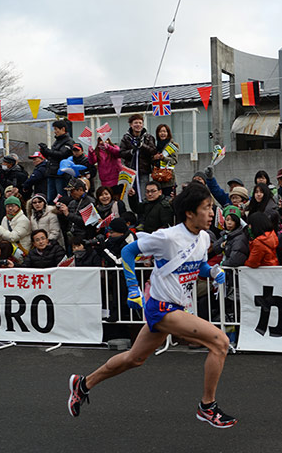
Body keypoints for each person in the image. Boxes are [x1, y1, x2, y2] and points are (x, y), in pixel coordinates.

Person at [67, 182, 237, 428]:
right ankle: (207, 407)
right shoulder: (166, 237)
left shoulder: (202, 238)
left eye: (212, 207)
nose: (212, 213)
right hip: (162, 308)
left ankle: (83, 384)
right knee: (220, 342)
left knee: (134, 359)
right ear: (190, 212)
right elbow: (127, 252)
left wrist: (211, 271)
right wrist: (133, 288)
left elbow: (197, 266)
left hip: (177, 308)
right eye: (207, 208)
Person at [119, 114, 157, 202]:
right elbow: (121, 152)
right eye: (135, 123)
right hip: (131, 172)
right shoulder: (126, 138)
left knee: (144, 193)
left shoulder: (148, 137)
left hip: (144, 170)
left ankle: (144, 213)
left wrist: (142, 146)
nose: (138, 125)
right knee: (132, 194)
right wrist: (132, 151)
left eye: (140, 123)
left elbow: (153, 150)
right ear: (131, 125)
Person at [40, 120, 76, 203]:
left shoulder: (69, 141)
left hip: (61, 174)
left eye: (56, 129)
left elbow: (62, 154)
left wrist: (47, 150)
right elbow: (51, 157)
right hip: (51, 172)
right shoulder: (57, 141)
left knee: (61, 198)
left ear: (63, 129)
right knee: (50, 199)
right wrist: (44, 151)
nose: (55, 132)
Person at [0, 196, 32, 260]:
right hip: (8, 253)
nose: (10, 208)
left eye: (12, 206)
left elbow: (13, 237)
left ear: (18, 207)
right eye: (7, 206)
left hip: (20, 253)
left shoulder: (24, 220)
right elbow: (1, 237)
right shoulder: (5, 219)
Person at [56, 178, 96, 242]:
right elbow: (67, 221)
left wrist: (68, 214)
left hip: (84, 238)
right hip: (72, 236)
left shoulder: (90, 202)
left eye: (72, 191)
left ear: (80, 189)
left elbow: (87, 222)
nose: (71, 194)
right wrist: (61, 213)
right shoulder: (72, 203)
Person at [152, 124, 179, 196]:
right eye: (160, 131)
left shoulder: (172, 145)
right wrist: (154, 158)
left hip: (168, 180)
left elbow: (174, 160)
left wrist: (163, 158)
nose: (162, 133)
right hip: (157, 179)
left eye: (164, 131)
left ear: (168, 133)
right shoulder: (155, 146)